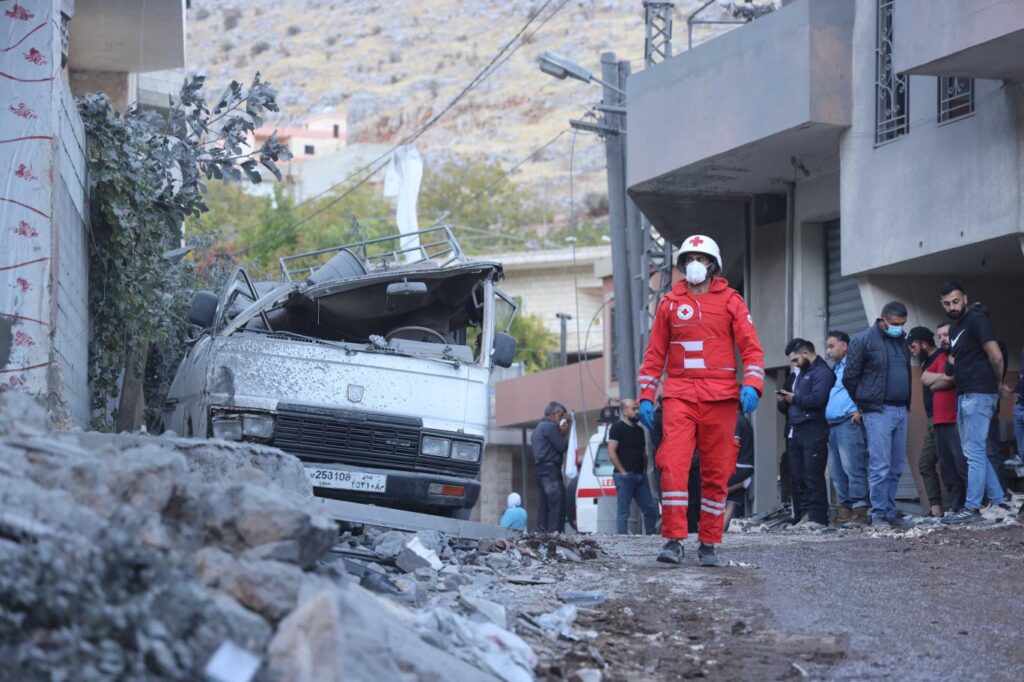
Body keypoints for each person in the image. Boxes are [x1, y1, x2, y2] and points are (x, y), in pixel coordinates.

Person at [637, 234, 764, 567]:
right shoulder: (667, 304)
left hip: (721, 398)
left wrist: (752, 383)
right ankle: (674, 540)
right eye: (689, 257)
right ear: (681, 265)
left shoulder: (732, 301)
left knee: (717, 472)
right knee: (673, 466)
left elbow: (751, 347)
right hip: (680, 395)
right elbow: (654, 355)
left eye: (701, 257)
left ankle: (708, 543)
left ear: (713, 265)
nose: (695, 263)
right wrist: (647, 395)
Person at [938, 284, 1009, 524]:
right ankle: (998, 500)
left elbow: (996, 355)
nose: (952, 307)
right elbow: (951, 364)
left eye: (956, 301)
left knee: (974, 453)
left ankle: (972, 508)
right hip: (966, 394)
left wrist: (997, 383)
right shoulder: (956, 328)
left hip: (979, 393)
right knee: (975, 451)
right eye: (947, 303)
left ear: (964, 298)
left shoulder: (977, 320)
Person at [843, 301, 913, 529]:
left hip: (901, 409)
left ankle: (889, 512)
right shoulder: (864, 340)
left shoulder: (902, 341)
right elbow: (850, 377)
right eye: (895, 324)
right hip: (878, 411)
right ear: (883, 320)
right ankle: (879, 515)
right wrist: (865, 403)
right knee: (880, 466)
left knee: (895, 468)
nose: (899, 328)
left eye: (902, 324)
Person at [777, 339, 836, 529]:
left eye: (795, 360)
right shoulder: (800, 374)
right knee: (798, 475)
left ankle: (818, 518)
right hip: (797, 429)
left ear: (805, 353)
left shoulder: (822, 372)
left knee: (813, 474)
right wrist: (785, 400)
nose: (794, 364)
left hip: (814, 428)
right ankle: (804, 515)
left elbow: (818, 399)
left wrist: (794, 398)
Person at [824, 330, 870, 526]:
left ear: (845, 346)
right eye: (827, 347)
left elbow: (868, 386)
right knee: (836, 471)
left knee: (853, 467)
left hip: (848, 423)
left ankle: (860, 511)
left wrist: (862, 411)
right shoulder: (835, 369)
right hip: (833, 426)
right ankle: (845, 512)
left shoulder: (855, 365)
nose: (828, 351)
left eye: (831, 346)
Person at [922, 322, 967, 510]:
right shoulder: (940, 357)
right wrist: (942, 380)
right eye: (939, 336)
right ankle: (956, 508)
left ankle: (973, 506)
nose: (942, 339)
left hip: (955, 419)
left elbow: (951, 378)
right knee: (947, 468)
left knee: (962, 465)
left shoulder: (960, 354)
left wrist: (938, 381)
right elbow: (925, 378)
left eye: (946, 335)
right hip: (939, 421)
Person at [907, 327, 945, 517]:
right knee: (925, 463)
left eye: (913, 346)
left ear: (924, 343)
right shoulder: (925, 362)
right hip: (933, 420)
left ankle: (961, 506)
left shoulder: (942, 357)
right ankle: (936, 509)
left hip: (945, 419)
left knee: (950, 463)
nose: (911, 351)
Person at [608, 399, 659, 534]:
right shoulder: (617, 427)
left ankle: (651, 536)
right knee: (624, 511)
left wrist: (643, 471)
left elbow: (643, 453)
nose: (637, 411)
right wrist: (623, 472)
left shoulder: (640, 431)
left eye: (637, 408)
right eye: (633, 409)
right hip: (624, 476)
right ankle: (622, 539)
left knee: (649, 508)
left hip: (639, 476)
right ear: (625, 411)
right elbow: (611, 451)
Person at [530, 401, 570, 533]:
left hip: (541, 470)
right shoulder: (550, 427)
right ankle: (555, 535)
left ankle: (541, 534)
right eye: (562, 416)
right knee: (556, 504)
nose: (562, 420)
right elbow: (562, 446)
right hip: (551, 470)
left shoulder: (538, 429)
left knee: (544, 506)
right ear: (554, 414)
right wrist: (563, 433)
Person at [723, 410, 754, 531]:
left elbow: (734, 444)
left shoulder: (736, 421)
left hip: (738, 465)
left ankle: (742, 484)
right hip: (746, 466)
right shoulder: (745, 420)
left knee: (716, 491)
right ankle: (720, 529)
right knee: (732, 500)